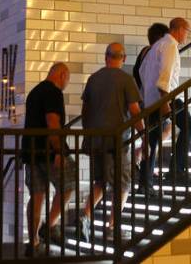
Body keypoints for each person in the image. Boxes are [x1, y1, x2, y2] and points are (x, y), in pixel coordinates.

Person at [79, 43, 144, 240]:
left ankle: (85, 215)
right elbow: (134, 111)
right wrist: (144, 134)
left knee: (100, 181)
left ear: (106, 57)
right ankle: (112, 227)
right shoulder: (126, 80)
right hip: (116, 142)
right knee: (123, 184)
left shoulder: (93, 79)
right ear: (123, 58)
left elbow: (85, 112)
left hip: (95, 141)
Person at [21, 63, 77, 256]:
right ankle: (50, 225)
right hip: (48, 151)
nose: (66, 84)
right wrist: (59, 150)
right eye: (67, 79)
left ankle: (34, 241)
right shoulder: (53, 92)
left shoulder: (34, 92)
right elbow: (53, 123)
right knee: (69, 184)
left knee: (36, 195)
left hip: (31, 151)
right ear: (61, 75)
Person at [138, 17, 191, 185]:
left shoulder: (155, 46)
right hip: (167, 98)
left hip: (150, 101)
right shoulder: (170, 45)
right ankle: (177, 170)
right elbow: (165, 78)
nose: (187, 36)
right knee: (190, 126)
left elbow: (142, 72)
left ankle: (145, 183)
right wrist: (165, 105)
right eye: (187, 31)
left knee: (152, 141)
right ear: (179, 29)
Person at [133, 23, 170, 166]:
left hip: (142, 99)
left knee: (157, 133)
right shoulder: (154, 53)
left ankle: (144, 158)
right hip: (153, 99)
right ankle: (145, 164)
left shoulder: (144, 52)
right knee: (159, 132)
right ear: (161, 38)